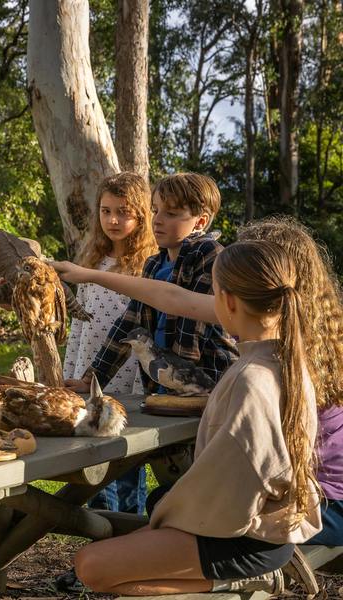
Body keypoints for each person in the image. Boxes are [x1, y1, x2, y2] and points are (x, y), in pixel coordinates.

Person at [55, 216, 343, 546]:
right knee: (167, 500)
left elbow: (174, 298)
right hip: (309, 497)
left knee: (169, 505)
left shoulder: (272, 343)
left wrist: (87, 274)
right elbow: (169, 297)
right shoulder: (310, 332)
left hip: (317, 506)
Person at [66, 172, 237, 396]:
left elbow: (193, 326)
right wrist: (91, 379)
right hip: (166, 388)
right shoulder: (154, 264)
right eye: (155, 210)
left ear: (201, 221)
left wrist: (177, 386)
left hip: (207, 388)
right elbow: (128, 324)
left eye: (171, 213)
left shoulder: (208, 254)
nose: (157, 220)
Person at [63, 171, 157, 515]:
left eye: (123, 212)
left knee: (127, 461)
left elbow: (145, 328)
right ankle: (101, 533)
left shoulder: (148, 266)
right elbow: (78, 324)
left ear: (141, 216)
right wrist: (72, 371)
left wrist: (142, 384)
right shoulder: (91, 262)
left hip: (128, 377)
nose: (113, 220)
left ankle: (130, 531)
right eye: (106, 211)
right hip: (91, 376)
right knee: (93, 463)